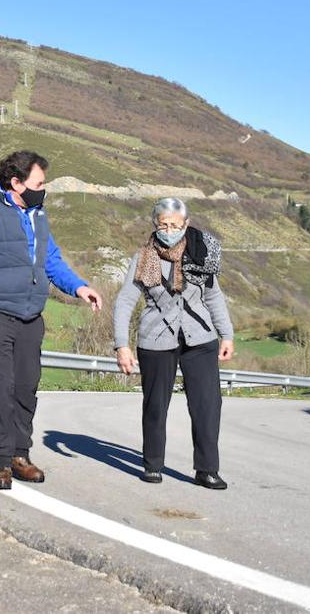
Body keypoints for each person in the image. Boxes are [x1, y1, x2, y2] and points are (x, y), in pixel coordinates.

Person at [0, 150, 104, 490]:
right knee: (0, 389)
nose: (43, 189)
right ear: (16, 182)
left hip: (30, 313)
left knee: (26, 389)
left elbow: (51, 260)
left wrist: (79, 287)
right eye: (39, 183)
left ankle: (20, 455)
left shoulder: (37, 215)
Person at [112, 197, 234, 489]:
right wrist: (122, 345)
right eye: (163, 225)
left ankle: (207, 469)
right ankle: (153, 464)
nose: (169, 230)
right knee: (155, 405)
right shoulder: (143, 257)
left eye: (175, 225)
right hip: (156, 340)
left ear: (186, 224)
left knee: (207, 405)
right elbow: (126, 300)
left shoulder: (201, 253)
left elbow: (213, 296)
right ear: (155, 225)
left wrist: (226, 334)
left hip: (200, 337)